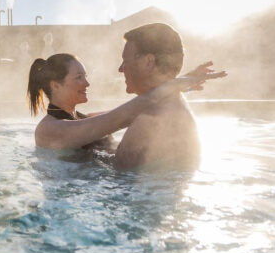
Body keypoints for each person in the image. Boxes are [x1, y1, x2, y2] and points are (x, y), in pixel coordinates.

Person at [27, 49, 224, 152]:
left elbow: (131, 110)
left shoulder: (80, 119)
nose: (87, 83)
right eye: (79, 77)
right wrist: (173, 85)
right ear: (55, 85)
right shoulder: (48, 130)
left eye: (85, 76)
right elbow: (120, 117)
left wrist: (182, 81)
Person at [114, 23, 214, 171]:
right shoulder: (173, 105)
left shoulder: (149, 121)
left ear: (148, 62)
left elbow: (120, 180)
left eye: (125, 61)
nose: (121, 69)